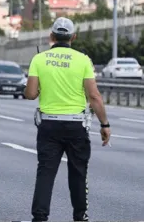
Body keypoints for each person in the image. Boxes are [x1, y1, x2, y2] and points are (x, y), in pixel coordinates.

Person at [24, 17, 111, 221]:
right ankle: (80, 216)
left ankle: (40, 217)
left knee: (46, 172)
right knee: (78, 173)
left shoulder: (39, 59)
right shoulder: (83, 60)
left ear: (51, 36)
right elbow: (94, 96)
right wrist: (104, 124)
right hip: (76, 126)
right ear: (73, 37)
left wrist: (36, 89)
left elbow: (30, 94)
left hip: (48, 125)